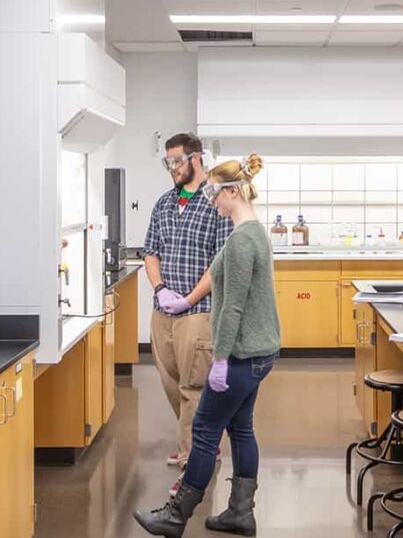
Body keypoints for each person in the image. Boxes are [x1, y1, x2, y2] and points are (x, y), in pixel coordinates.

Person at [135, 154, 282, 538]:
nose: (211, 201)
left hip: (240, 355)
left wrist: (219, 359)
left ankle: (174, 516)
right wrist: (182, 301)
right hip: (261, 352)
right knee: (242, 428)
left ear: (232, 191)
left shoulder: (240, 242)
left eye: (215, 194)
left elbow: (231, 305)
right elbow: (217, 268)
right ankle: (240, 513)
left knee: (203, 430)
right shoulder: (251, 233)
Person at [143, 133, 233, 493]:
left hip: (199, 312)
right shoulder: (164, 203)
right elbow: (151, 251)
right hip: (161, 312)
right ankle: (192, 448)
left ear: (196, 159)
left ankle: (195, 460)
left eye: (176, 161)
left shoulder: (215, 203)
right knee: (170, 383)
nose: (171, 169)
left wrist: (188, 298)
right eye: (167, 163)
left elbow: (221, 261)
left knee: (193, 387)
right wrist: (161, 289)